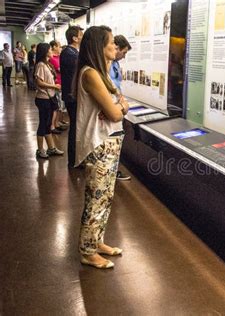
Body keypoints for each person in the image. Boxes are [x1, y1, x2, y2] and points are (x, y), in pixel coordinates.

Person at [75, 26, 129, 269]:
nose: (115, 47)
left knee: (105, 197)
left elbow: (117, 101)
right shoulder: (91, 74)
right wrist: (121, 108)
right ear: (100, 46)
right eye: (111, 43)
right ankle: (87, 250)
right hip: (99, 143)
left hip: (110, 140)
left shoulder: (101, 73)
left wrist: (119, 106)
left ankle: (97, 241)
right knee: (96, 198)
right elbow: (116, 112)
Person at [34, 43, 64, 159]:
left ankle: (51, 148)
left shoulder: (47, 64)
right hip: (43, 99)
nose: (52, 51)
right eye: (50, 49)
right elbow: (39, 82)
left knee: (47, 124)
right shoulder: (41, 65)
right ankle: (40, 149)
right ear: (45, 51)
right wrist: (53, 87)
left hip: (49, 98)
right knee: (43, 124)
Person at [109, 34, 132, 181]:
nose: (123, 56)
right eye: (123, 52)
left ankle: (113, 169)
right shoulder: (105, 65)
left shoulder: (115, 64)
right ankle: (111, 170)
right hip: (112, 106)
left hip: (116, 103)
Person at [60, 25, 83, 169]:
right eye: (81, 35)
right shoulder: (71, 54)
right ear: (74, 38)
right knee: (75, 127)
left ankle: (75, 159)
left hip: (71, 95)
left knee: (75, 127)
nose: (82, 37)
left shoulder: (70, 52)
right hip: (72, 97)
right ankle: (74, 161)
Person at [49, 40, 68, 134]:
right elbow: (60, 69)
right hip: (57, 83)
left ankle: (57, 123)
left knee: (60, 106)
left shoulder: (59, 57)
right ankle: (53, 125)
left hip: (62, 83)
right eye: (59, 46)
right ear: (54, 47)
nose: (60, 48)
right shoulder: (52, 58)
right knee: (57, 106)